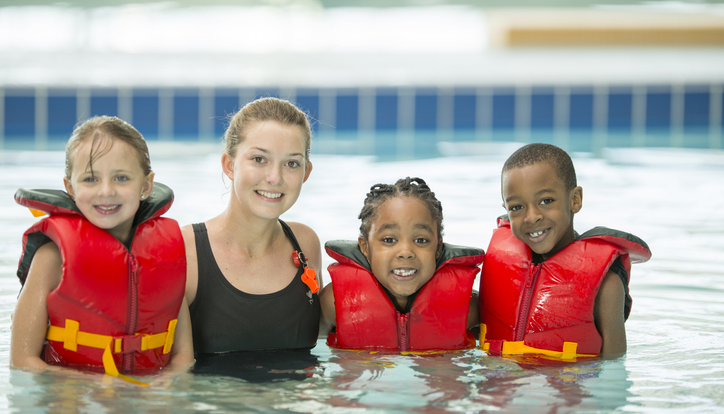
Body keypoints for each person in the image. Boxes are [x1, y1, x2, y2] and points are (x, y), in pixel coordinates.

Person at [11, 116, 194, 385]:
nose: (106, 191)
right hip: (72, 400)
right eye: (91, 179)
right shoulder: (51, 259)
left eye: (121, 178)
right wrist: (94, 383)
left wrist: (167, 381)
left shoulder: (164, 257)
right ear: (70, 187)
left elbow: (183, 356)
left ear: (145, 185)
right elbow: (22, 362)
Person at [479, 143, 651, 360]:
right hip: (501, 387)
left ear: (575, 200)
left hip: (566, 388)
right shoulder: (499, 263)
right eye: (517, 207)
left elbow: (614, 366)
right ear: (505, 209)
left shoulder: (606, 281)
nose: (532, 217)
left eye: (546, 201)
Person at [183, 97, 322, 355]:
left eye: (291, 163)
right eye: (259, 159)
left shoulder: (306, 243)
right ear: (229, 165)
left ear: (306, 172)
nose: (274, 178)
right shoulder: (186, 250)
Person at [319, 177, 484, 352]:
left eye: (421, 240)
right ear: (365, 247)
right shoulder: (334, 302)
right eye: (389, 240)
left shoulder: (469, 307)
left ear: (438, 248)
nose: (406, 252)